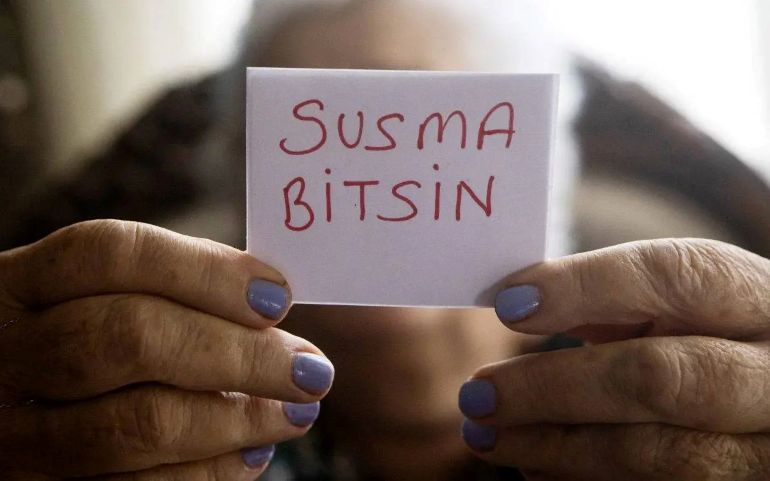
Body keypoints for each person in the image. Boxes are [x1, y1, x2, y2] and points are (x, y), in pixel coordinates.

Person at [1, 2, 770, 481]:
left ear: (538, 172)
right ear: (239, 184)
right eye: (313, 122)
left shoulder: (658, 365)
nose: (366, 161)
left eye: (418, 113)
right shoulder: (129, 401)